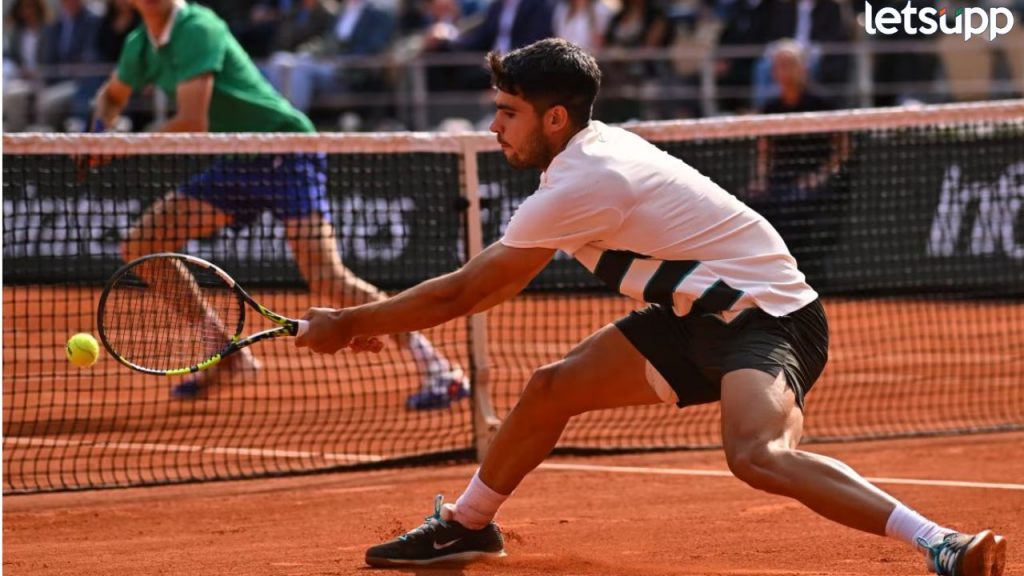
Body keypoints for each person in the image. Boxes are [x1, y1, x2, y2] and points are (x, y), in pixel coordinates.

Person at [295, 39, 1007, 574]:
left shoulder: (587, 179)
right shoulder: (583, 156)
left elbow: (469, 291)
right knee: (550, 389)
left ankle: (938, 541)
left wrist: (349, 322)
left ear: (555, 117)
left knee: (757, 455)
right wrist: (365, 322)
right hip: (695, 318)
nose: (494, 128)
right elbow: (480, 288)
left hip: (768, 316)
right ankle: (470, 524)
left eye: (507, 113)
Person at [93, 0, 468, 410]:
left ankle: (439, 368)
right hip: (239, 158)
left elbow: (192, 119)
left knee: (327, 278)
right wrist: (99, 130)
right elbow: (111, 96)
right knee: (143, 244)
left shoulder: (197, 27)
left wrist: (118, 147)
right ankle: (225, 352)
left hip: (286, 148)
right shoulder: (140, 44)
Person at [749, 39, 849, 288]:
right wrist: (761, 180)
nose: (784, 70)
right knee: (754, 203)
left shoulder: (822, 104)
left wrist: (821, 176)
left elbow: (843, 150)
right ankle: (767, 276)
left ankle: (799, 275)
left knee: (796, 203)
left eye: (790, 64)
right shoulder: (770, 108)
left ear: (803, 68)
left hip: (814, 177)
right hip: (780, 177)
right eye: (780, 65)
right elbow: (764, 151)